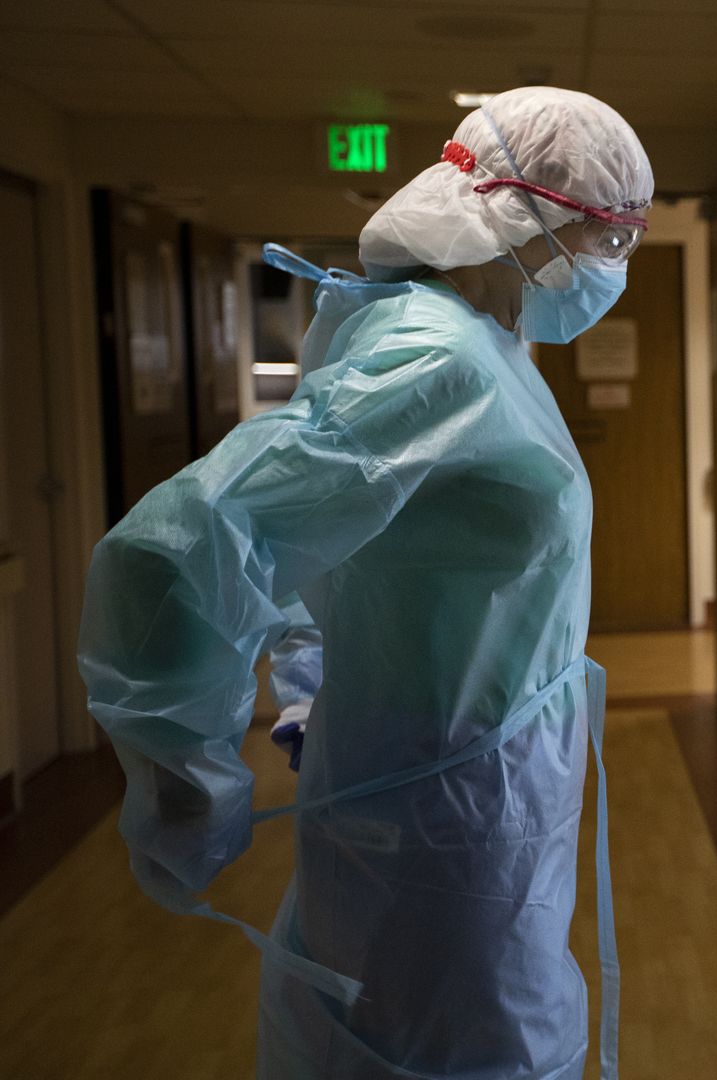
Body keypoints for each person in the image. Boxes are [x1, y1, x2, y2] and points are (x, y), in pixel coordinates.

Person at [76, 86, 651, 1079]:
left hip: (467, 789)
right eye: (606, 244)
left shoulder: (489, 343)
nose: (609, 274)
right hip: (442, 820)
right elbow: (176, 547)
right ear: (531, 219)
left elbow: (344, 540)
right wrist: (187, 782)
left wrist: (308, 682)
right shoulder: (438, 357)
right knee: (460, 1047)